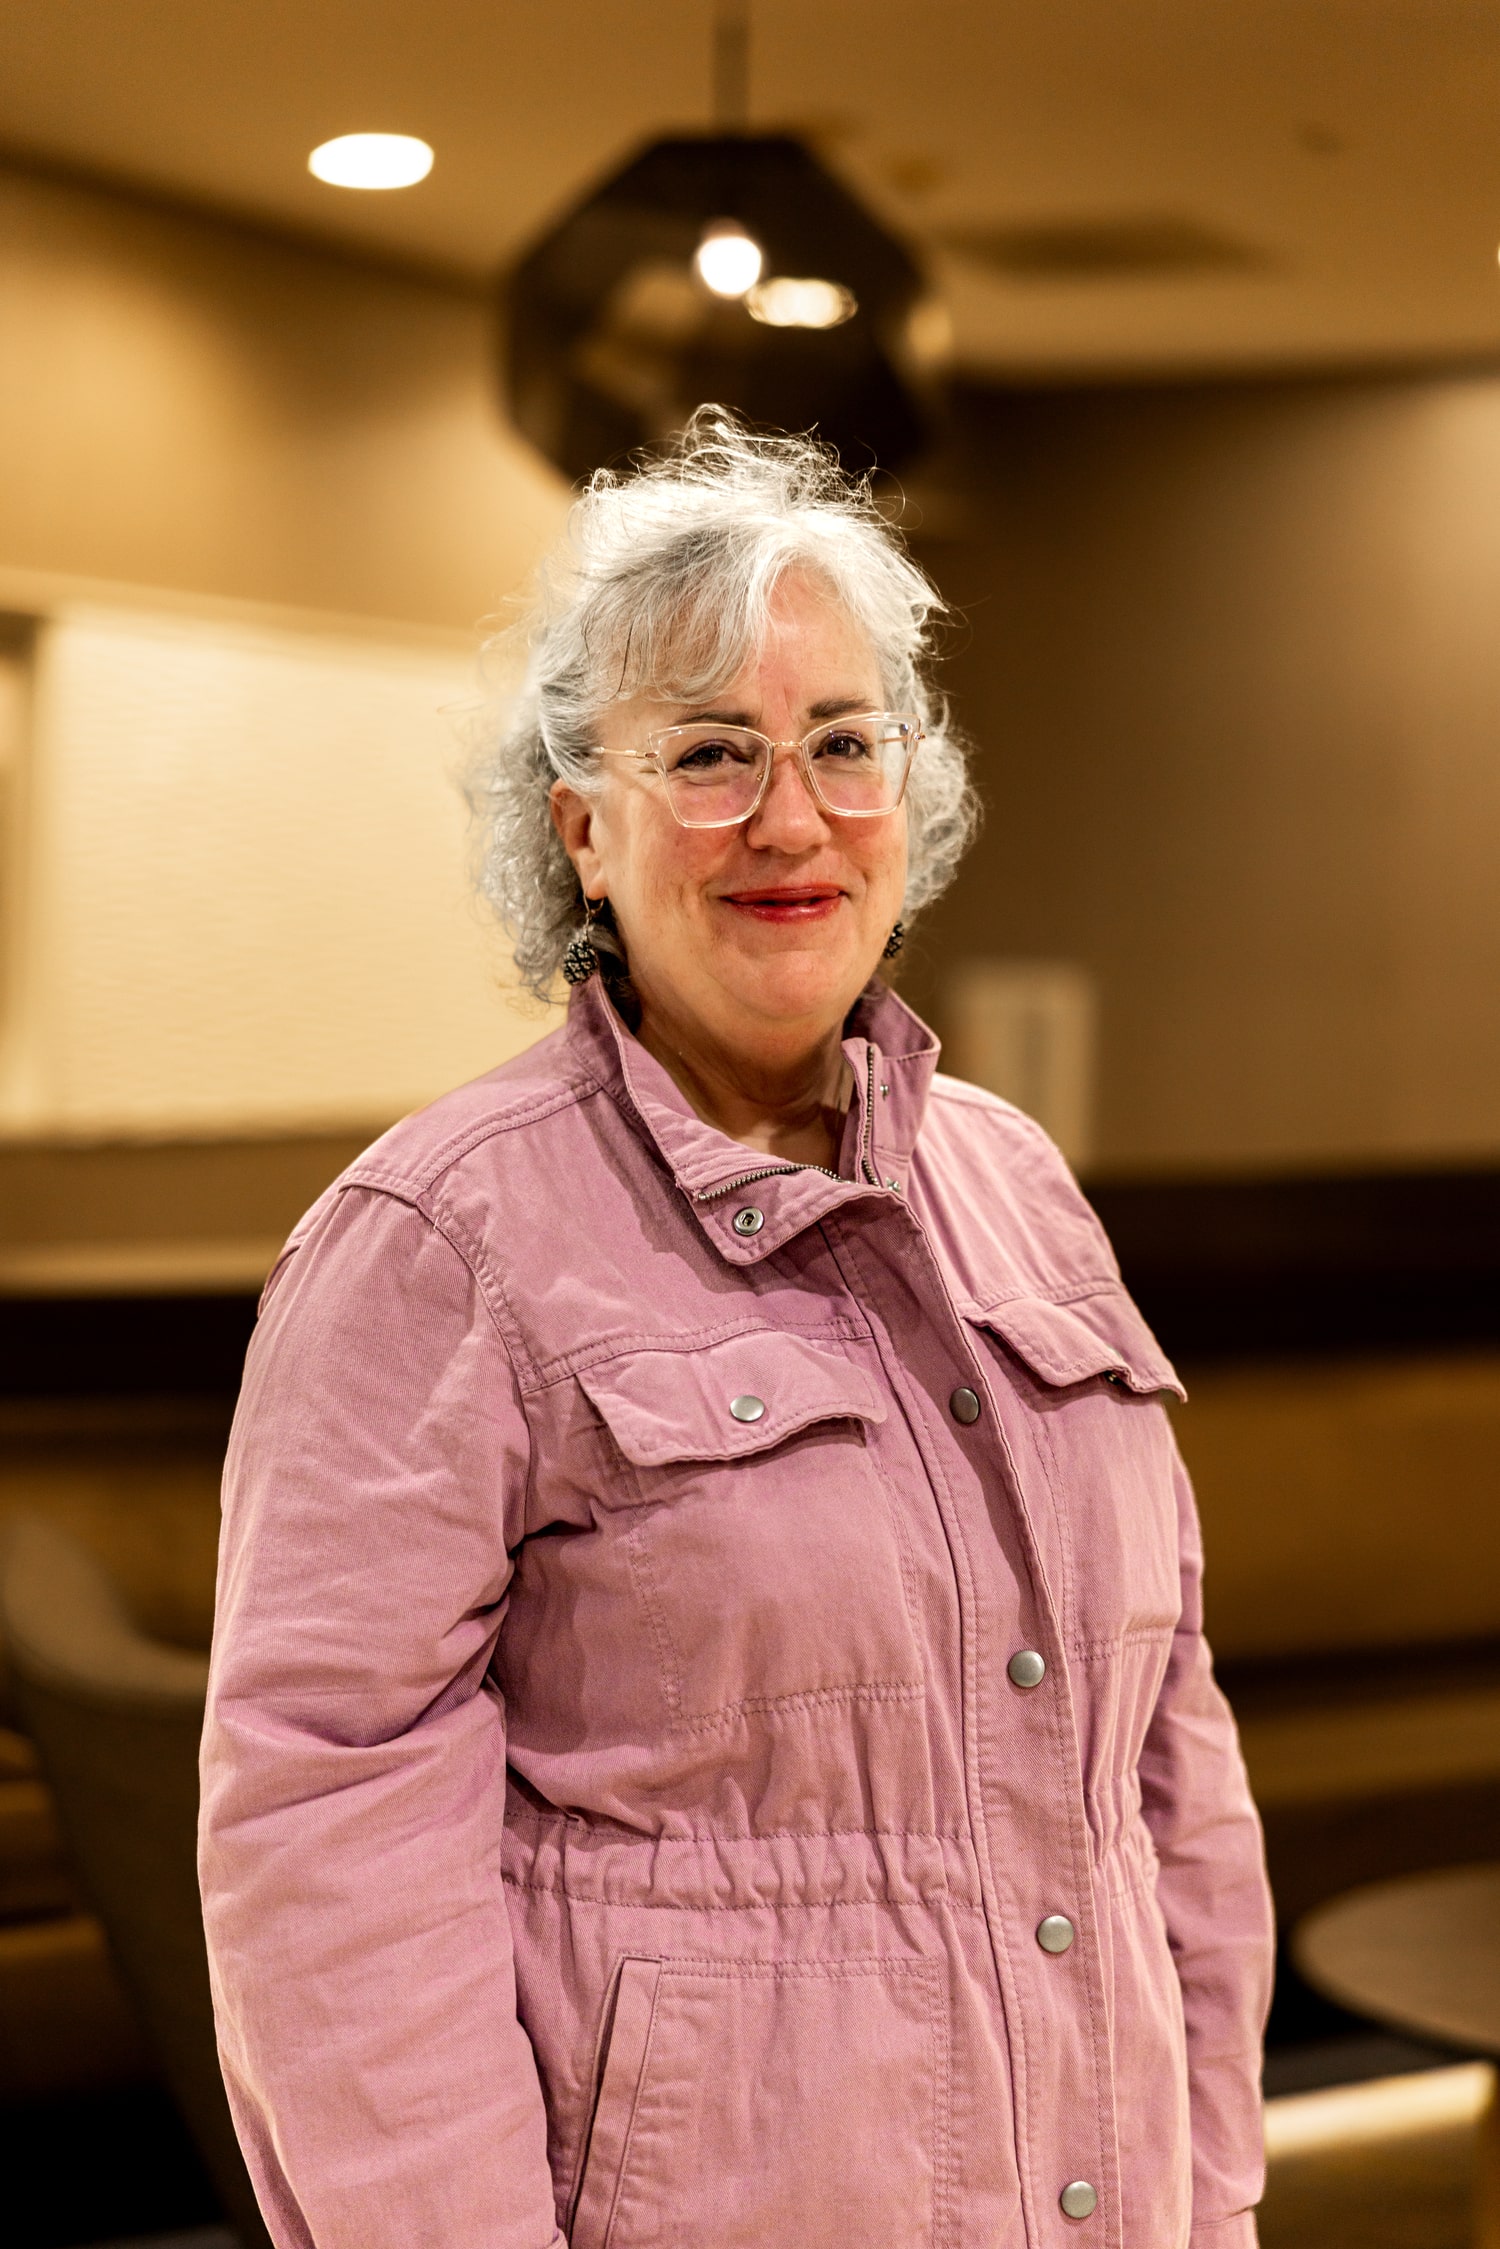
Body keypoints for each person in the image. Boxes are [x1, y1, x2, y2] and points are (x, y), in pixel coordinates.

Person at [199, 411, 1273, 2249]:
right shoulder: (433, 1242)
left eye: (842, 744)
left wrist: (1219, 2189)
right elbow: (326, 1839)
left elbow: (1164, 1750)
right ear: (583, 833)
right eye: (708, 754)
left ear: (910, 803)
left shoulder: (1016, 1182)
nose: (789, 817)